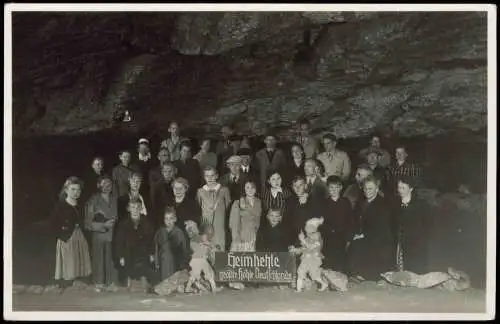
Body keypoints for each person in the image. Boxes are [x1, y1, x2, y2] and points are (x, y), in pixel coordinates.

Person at [348, 176, 394, 282]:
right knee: (353, 242)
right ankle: (356, 273)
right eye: (365, 189)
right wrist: (354, 234)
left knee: (359, 244)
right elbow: (354, 221)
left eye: (370, 189)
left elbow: (381, 226)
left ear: (377, 189)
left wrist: (363, 235)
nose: (367, 191)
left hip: (379, 238)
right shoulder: (360, 203)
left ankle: (363, 274)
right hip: (363, 235)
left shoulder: (383, 204)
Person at [51, 177, 92, 289]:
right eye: (73, 189)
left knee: (80, 261)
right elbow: (54, 224)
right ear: (66, 190)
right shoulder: (60, 205)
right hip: (67, 237)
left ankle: (77, 283)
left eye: (78, 190)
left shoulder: (81, 205)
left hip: (79, 236)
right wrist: (63, 236)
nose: (76, 192)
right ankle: (67, 284)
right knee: (69, 262)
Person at [84, 176, 119, 292]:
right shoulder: (93, 200)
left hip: (112, 235)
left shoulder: (114, 199)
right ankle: (98, 283)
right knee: (99, 259)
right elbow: (88, 223)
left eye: (109, 184)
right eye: (104, 184)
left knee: (110, 258)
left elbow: (115, 215)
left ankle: (110, 282)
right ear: (98, 185)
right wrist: (103, 226)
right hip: (99, 235)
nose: (107, 186)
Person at [391, 177, 432, 274]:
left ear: (411, 188)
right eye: (399, 187)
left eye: (403, 188)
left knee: (415, 270)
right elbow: (392, 223)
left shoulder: (421, 205)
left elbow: (428, 224)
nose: (400, 190)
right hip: (400, 241)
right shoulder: (394, 204)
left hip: (416, 243)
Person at [115, 199, 156, 292]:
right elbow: (119, 241)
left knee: (144, 264)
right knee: (128, 262)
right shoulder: (123, 223)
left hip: (143, 251)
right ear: (128, 208)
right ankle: (129, 280)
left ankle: (144, 279)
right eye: (132, 207)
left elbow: (151, 240)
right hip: (129, 251)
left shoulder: (147, 222)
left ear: (141, 208)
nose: (135, 209)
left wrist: (151, 253)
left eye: (137, 207)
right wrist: (120, 256)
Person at [228, 181, 262, 290]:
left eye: (253, 187)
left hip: (254, 234)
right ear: (244, 189)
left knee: (250, 258)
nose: (250, 190)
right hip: (241, 234)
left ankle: (248, 279)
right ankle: (234, 281)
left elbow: (258, 218)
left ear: (256, 189)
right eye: (247, 187)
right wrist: (236, 236)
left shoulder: (258, 202)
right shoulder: (238, 203)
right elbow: (233, 222)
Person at [321, 176, 354, 273]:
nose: (334, 190)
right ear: (327, 188)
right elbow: (321, 222)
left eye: (336, 187)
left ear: (341, 188)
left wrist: (349, 237)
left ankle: (341, 272)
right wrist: (328, 230)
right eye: (331, 187)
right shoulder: (324, 203)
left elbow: (350, 220)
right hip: (329, 236)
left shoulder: (345, 202)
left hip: (343, 236)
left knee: (342, 259)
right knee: (329, 261)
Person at [196, 166, 232, 252]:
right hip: (206, 224)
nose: (210, 178)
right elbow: (198, 208)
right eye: (207, 176)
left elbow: (228, 207)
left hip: (219, 225)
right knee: (206, 248)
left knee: (219, 246)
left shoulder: (224, 190)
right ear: (204, 177)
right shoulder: (200, 191)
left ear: (216, 176)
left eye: (212, 175)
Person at [289, 217, 329, 292]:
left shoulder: (318, 238)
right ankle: (298, 289)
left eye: (308, 227)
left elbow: (310, 247)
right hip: (306, 259)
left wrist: (302, 240)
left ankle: (324, 283)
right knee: (300, 272)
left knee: (314, 275)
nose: (306, 229)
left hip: (314, 259)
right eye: (306, 227)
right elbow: (304, 248)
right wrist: (295, 249)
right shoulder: (307, 238)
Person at [154, 207, 191, 283]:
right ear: (164, 220)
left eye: (171, 218)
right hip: (163, 260)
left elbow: (184, 249)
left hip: (175, 260)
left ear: (175, 219)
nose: (168, 221)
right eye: (166, 219)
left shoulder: (179, 232)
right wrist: (156, 262)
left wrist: (184, 263)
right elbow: (156, 248)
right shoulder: (160, 231)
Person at [184, 221, 222, 293]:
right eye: (209, 234)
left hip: (202, 261)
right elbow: (202, 247)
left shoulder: (201, 239)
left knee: (210, 274)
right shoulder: (196, 240)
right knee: (195, 275)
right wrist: (211, 247)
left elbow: (208, 249)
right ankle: (188, 287)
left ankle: (213, 288)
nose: (211, 236)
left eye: (212, 234)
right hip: (197, 261)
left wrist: (213, 248)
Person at [287, 176, 324, 242]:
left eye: (300, 185)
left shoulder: (314, 200)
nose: (298, 188)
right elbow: (289, 221)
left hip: (310, 238)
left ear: (305, 186)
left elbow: (318, 220)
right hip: (294, 238)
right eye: (295, 186)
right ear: (292, 187)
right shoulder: (289, 201)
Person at [134, 138, 153, 209]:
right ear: (138, 149)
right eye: (141, 148)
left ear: (148, 149)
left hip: (151, 189)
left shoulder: (153, 161)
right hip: (140, 189)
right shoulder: (134, 162)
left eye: (145, 148)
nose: (143, 150)